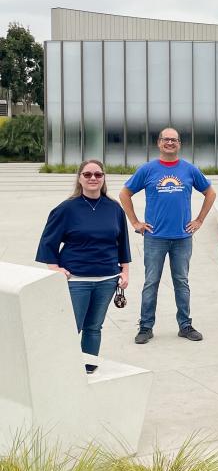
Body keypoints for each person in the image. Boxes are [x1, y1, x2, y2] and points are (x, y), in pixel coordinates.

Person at [119, 127, 216, 344]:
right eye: (166, 139)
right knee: (151, 282)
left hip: (182, 238)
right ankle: (145, 327)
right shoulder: (147, 170)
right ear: (159, 143)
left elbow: (210, 192)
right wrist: (135, 222)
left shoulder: (189, 170)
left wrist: (199, 220)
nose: (170, 143)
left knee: (181, 281)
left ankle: (185, 325)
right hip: (155, 237)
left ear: (179, 144)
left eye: (174, 140)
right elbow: (125, 193)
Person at [36, 160, 132, 374]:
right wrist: (54, 267)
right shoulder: (66, 209)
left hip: (107, 280)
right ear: (79, 178)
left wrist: (125, 271)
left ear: (104, 178)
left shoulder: (114, 208)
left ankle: (88, 367)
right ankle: (63, 369)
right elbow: (48, 242)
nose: (93, 178)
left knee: (94, 327)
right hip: (76, 280)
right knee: (72, 328)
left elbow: (122, 243)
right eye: (87, 174)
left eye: (98, 174)